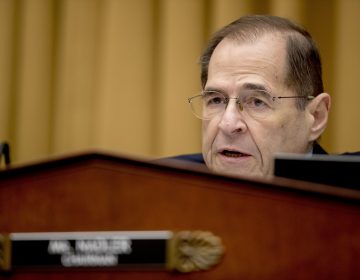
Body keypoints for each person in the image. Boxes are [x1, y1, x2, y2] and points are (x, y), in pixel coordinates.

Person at [175, 14, 334, 178]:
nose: (228, 124)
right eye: (216, 100)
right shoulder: (162, 186)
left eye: (257, 102)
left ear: (316, 117)